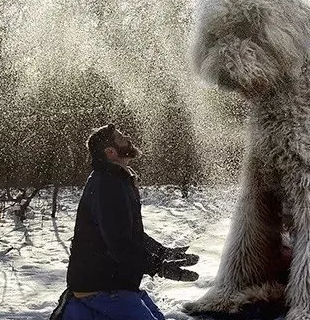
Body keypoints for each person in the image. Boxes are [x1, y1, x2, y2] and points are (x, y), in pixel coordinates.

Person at [52, 123, 199, 320]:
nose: (128, 138)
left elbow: (132, 235)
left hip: (115, 283)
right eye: (121, 138)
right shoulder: (107, 184)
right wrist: (160, 268)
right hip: (101, 288)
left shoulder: (117, 179)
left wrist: (163, 253)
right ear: (111, 152)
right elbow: (120, 245)